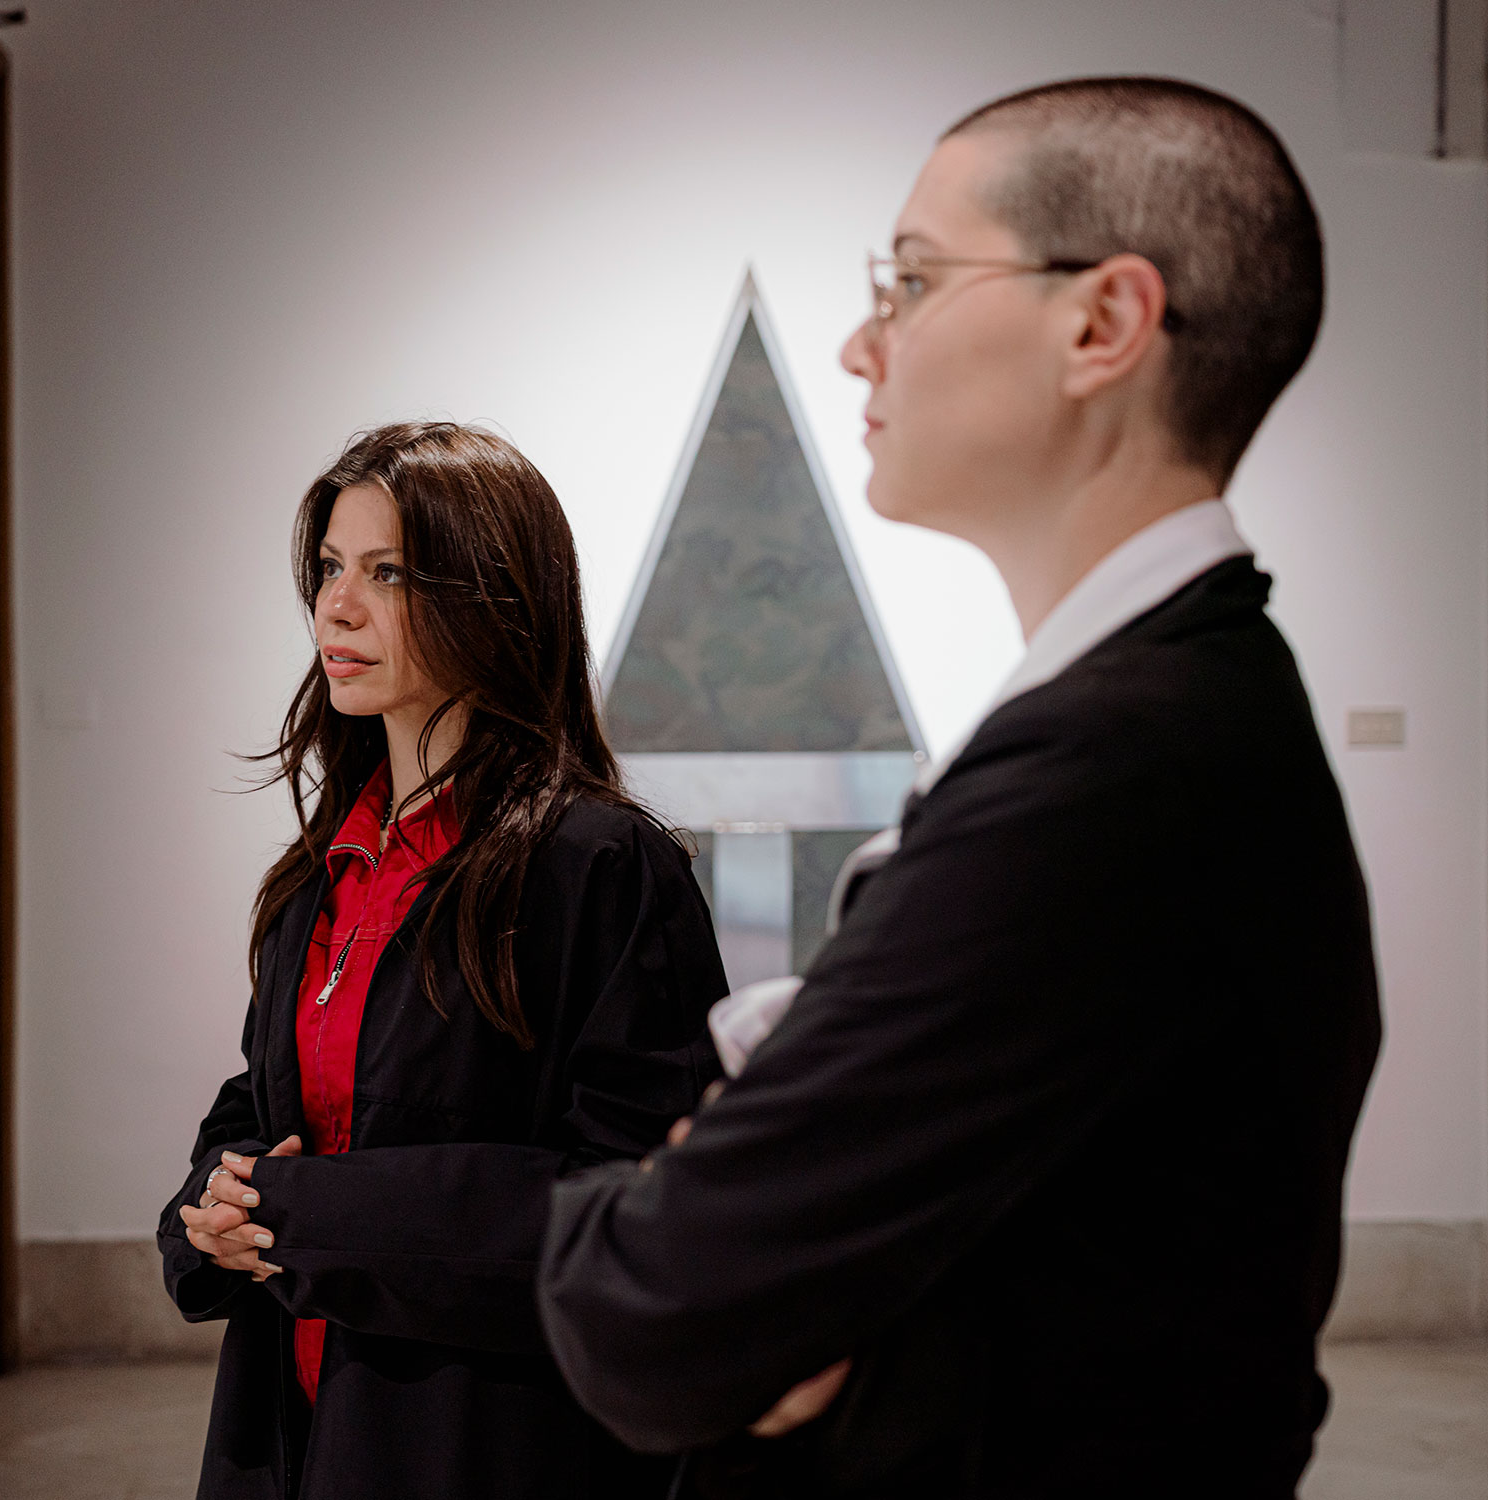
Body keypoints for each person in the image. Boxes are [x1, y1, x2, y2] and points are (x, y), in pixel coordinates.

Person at [537, 77, 1383, 1497]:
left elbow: (652, 1306)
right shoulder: (1180, 714)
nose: (860, 343)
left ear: (1102, 323)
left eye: (914, 281)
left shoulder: (1108, 779)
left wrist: (667, 1236)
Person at [159, 422, 727, 1499]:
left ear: (494, 598)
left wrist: (308, 1213)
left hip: (487, 1440)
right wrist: (209, 1212)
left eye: (388, 573)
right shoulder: (322, 869)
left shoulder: (599, 868)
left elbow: (638, 1200)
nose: (336, 607)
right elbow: (266, 1101)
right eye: (330, 566)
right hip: (286, 1430)